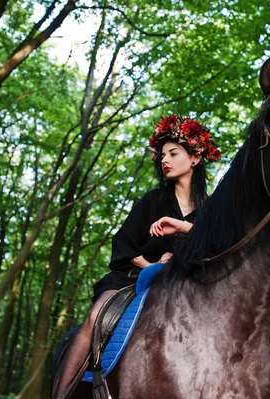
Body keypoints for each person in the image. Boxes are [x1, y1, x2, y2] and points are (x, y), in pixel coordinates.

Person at [52, 114, 221, 399]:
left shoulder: (209, 210)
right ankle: (62, 394)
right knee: (95, 318)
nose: (164, 159)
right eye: (162, 155)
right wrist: (152, 266)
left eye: (173, 153)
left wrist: (183, 227)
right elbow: (124, 246)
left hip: (186, 289)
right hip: (131, 280)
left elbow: (217, 247)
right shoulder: (152, 201)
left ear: (195, 158)